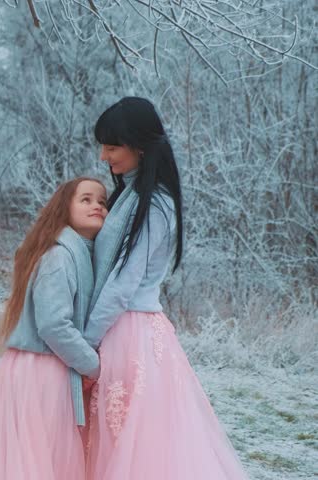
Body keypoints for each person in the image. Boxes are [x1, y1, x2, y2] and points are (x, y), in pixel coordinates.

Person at [84, 97, 248, 479]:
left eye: (112, 146)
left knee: (135, 449)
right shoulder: (131, 195)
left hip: (128, 333)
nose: (103, 156)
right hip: (123, 329)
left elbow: (123, 284)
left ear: (139, 144)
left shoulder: (154, 204)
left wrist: (87, 342)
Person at [0, 177, 108, 480]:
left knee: (34, 459)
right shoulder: (60, 256)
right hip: (42, 372)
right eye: (85, 200)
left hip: (41, 367)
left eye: (102, 201)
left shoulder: (76, 253)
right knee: (39, 460)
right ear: (64, 208)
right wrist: (94, 365)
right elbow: (53, 324)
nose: (97, 206)